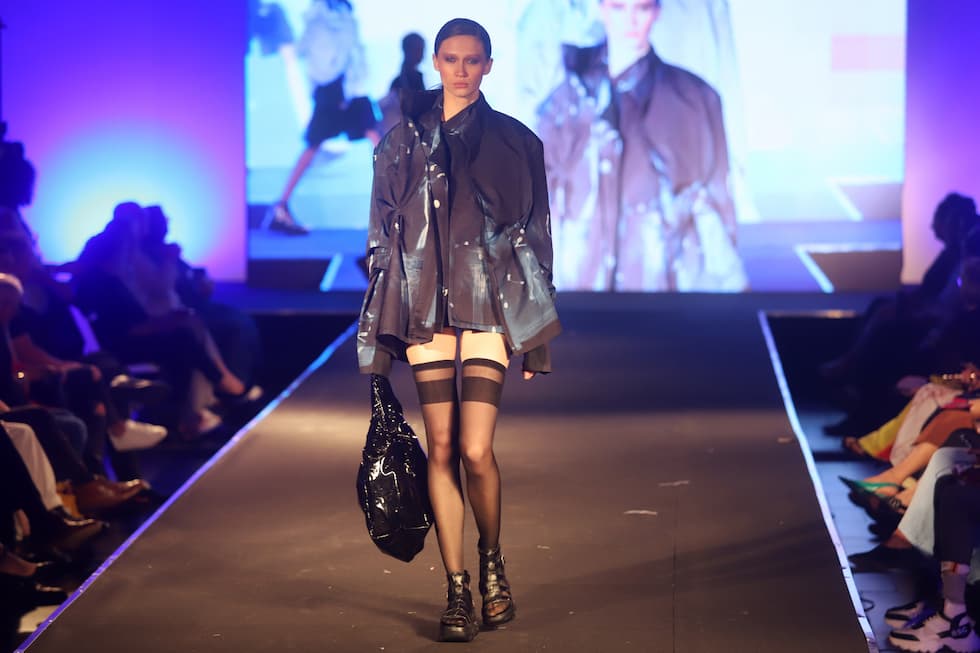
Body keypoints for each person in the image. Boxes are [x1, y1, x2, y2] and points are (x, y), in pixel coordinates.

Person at [356, 18, 561, 642]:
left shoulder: (518, 143)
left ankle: (492, 562)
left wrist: (536, 335)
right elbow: (381, 238)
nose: (462, 70)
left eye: (473, 60)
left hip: (491, 305)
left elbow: (537, 238)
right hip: (424, 308)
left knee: (476, 449)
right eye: (451, 59)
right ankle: (456, 587)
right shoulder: (398, 145)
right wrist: (379, 330)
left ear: (489, 65)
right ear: (437, 63)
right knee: (441, 447)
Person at [536, 0, 747, 291]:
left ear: (656, 12)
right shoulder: (563, 104)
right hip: (579, 289)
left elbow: (718, 201)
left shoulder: (697, 99)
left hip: (668, 290)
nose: (631, 20)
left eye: (642, 8)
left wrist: (731, 289)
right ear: (602, 10)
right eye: (619, 8)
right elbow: (541, 205)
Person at [263, 0, 380, 235]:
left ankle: (281, 206)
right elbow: (323, 53)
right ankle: (280, 206)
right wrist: (337, 88)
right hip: (336, 88)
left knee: (372, 136)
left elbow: (347, 49)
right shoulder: (322, 15)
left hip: (345, 86)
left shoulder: (337, 10)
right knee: (364, 137)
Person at [377, 32, 427, 135]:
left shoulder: (415, 77)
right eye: (418, 50)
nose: (422, 55)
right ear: (408, 51)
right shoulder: (400, 82)